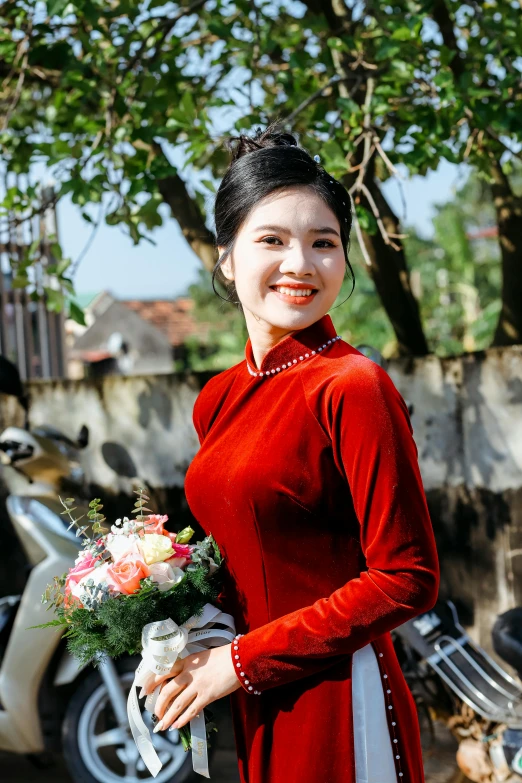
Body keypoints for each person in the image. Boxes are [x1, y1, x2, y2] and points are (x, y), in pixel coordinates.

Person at [142, 123, 440, 783]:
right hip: (257, 692)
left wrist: (240, 661)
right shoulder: (217, 397)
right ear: (226, 257)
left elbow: (408, 576)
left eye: (324, 243)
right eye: (272, 240)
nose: (301, 264)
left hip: (342, 695)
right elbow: (245, 548)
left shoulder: (353, 385)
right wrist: (179, 624)